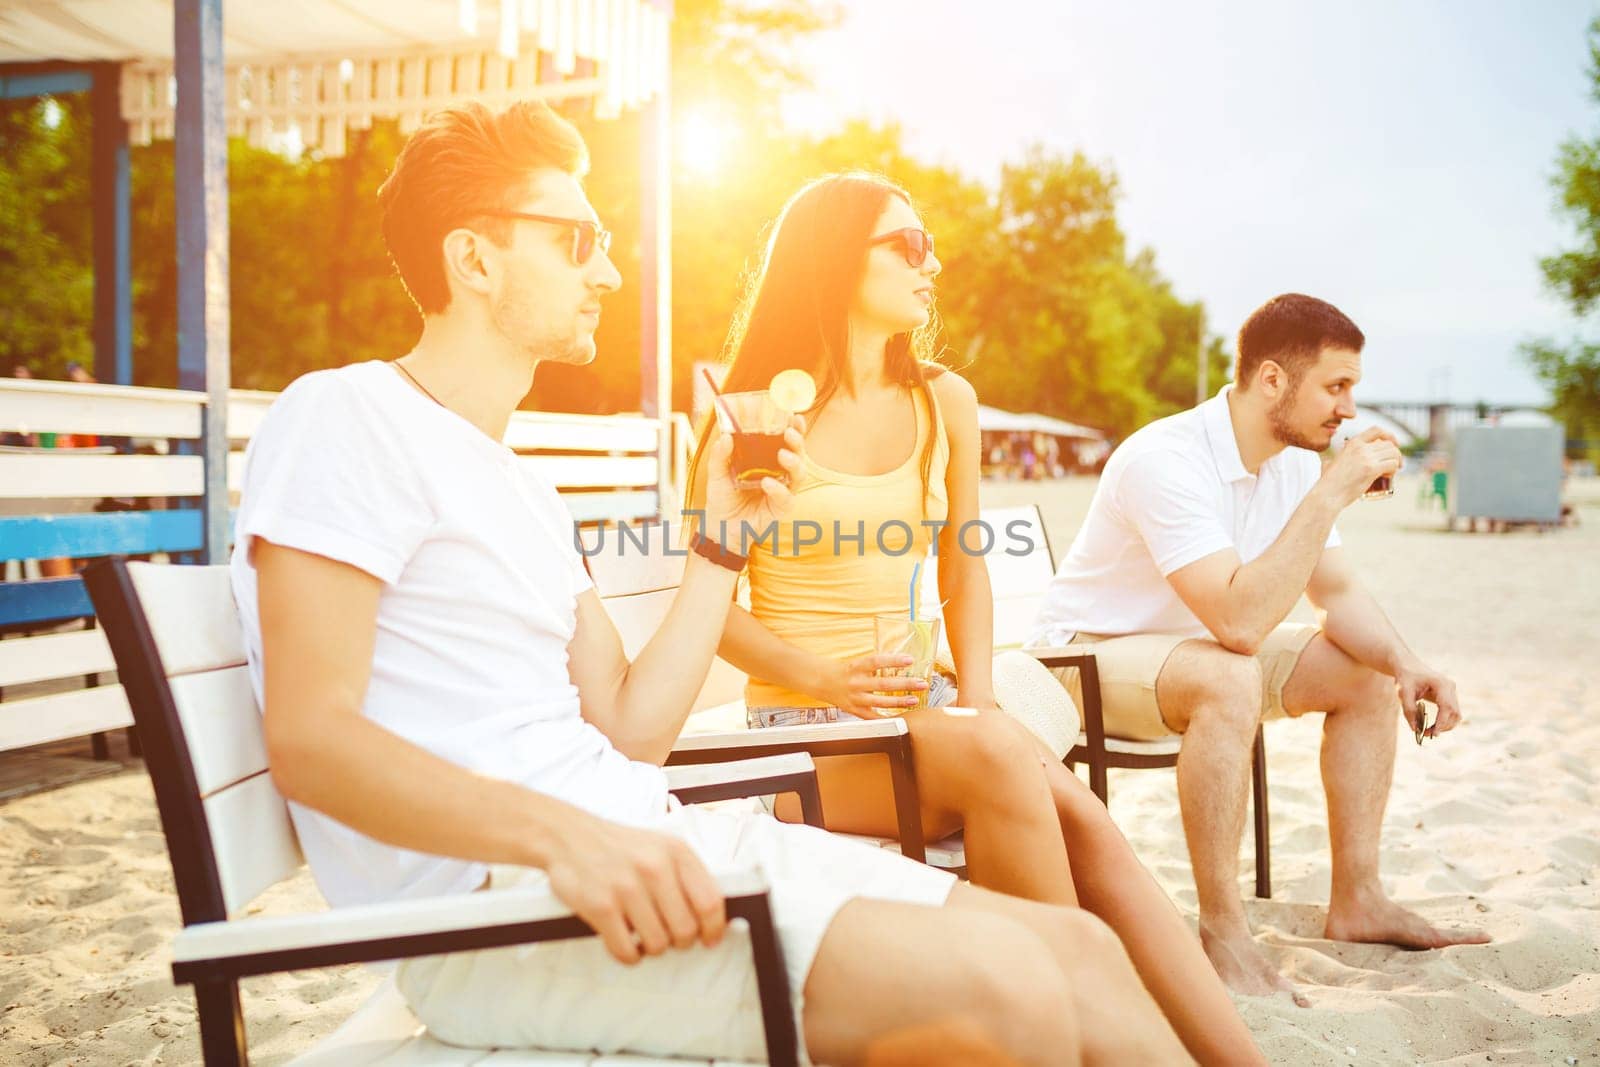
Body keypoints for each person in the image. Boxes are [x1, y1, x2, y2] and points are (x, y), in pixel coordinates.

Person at [229, 100, 1188, 1065]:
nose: (607, 269)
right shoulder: (345, 417)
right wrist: (568, 838)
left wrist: (723, 545)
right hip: (510, 913)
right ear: (474, 261)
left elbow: (631, 728)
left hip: (646, 843)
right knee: (1016, 997)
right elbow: (314, 738)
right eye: (577, 240)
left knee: (1079, 953)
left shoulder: (522, 486)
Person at [687, 172, 1261, 1065]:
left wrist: (980, 694)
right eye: (907, 246)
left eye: (930, 245)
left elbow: (963, 563)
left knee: (1088, 826)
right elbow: (710, 610)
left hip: (924, 710)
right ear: (839, 261)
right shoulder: (755, 412)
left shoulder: (944, 401)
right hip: (799, 733)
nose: (934, 263)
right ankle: (1081, 1039)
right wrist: (828, 678)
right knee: (1002, 760)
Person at [1028, 292, 1491, 1002]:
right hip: (1083, 659)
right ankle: (1224, 931)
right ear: (1272, 379)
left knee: (1365, 675)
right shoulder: (1166, 457)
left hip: (1194, 651)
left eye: (1353, 389)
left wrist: (1407, 662)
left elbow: (1332, 592)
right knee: (1230, 674)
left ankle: (1358, 899)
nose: (1348, 409)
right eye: (1336, 387)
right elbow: (1239, 624)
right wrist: (1333, 492)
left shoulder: (1293, 462)